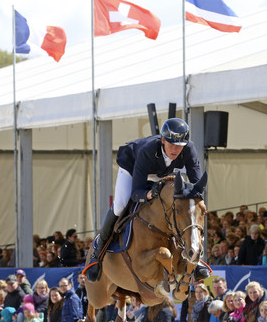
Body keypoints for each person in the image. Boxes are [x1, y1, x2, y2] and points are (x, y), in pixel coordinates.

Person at [85, 118, 208, 282]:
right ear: (163, 140)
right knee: (120, 205)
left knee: (189, 208)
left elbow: (196, 184)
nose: (175, 149)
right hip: (132, 168)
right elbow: (137, 192)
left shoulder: (188, 149)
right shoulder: (147, 150)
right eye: (171, 144)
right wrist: (150, 194)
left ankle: (195, 258)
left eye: (179, 146)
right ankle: (97, 253)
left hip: (162, 173)